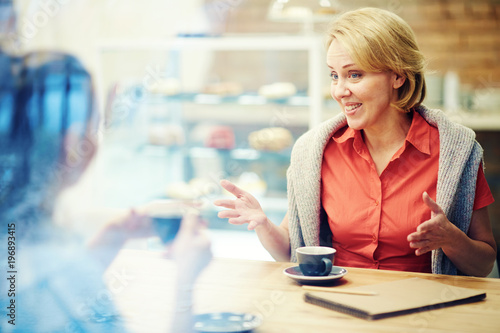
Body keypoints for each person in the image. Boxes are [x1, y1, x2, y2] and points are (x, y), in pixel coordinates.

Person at [214, 7, 496, 277]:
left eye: (354, 75)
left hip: (421, 314)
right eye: (334, 75)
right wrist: (263, 223)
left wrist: (450, 238)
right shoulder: (316, 152)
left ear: (398, 75)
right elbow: (291, 251)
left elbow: (483, 264)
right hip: (338, 304)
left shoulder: (455, 152)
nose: (339, 90)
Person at [0, 50, 211, 332]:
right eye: (93, 125)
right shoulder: (58, 267)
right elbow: (59, 286)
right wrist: (186, 279)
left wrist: (115, 234)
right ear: (72, 146)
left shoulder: (15, 236)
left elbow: (46, 305)